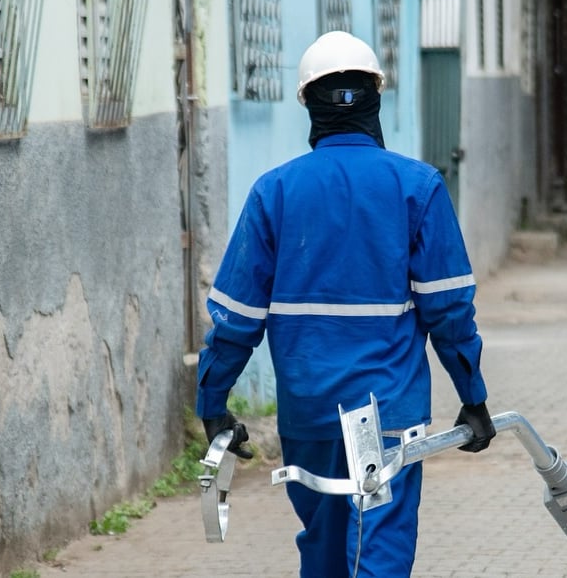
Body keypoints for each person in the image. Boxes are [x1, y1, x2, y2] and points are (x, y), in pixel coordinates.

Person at [196, 30, 496, 577]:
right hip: (388, 416)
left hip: (309, 414)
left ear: (308, 104)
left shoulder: (274, 192)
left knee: (326, 552)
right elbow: (449, 311)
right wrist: (472, 396)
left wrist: (212, 403)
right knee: (378, 555)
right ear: (375, 97)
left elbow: (236, 320)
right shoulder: (418, 187)